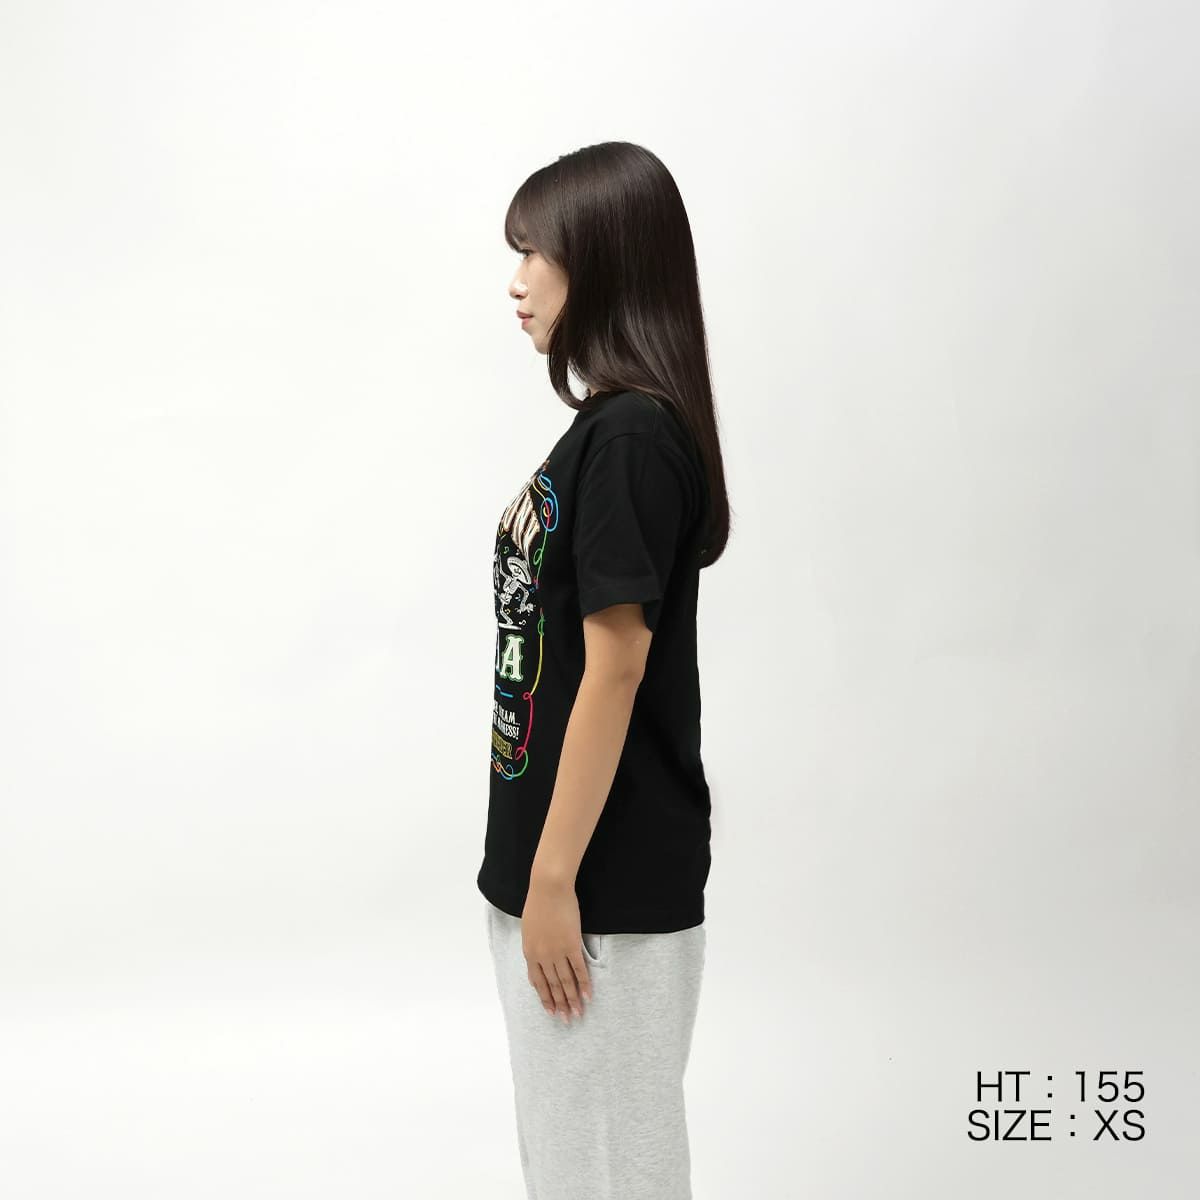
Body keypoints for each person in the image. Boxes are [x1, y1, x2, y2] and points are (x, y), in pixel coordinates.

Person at [477, 141, 732, 1200]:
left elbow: (617, 666)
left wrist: (552, 883)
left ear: (606, 261)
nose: (517, 280)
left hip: (598, 892)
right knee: (573, 1166)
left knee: (611, 1174)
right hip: (564, 881)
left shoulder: (629, 437)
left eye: (536, 251)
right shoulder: (607, 430)